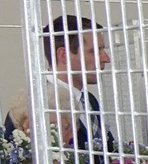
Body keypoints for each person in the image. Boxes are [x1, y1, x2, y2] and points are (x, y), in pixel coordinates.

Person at [4, 15, 113, 148]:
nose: (106, 58)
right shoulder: (30, 107)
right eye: (95, 51)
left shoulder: (89, 101)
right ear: (64, 55)